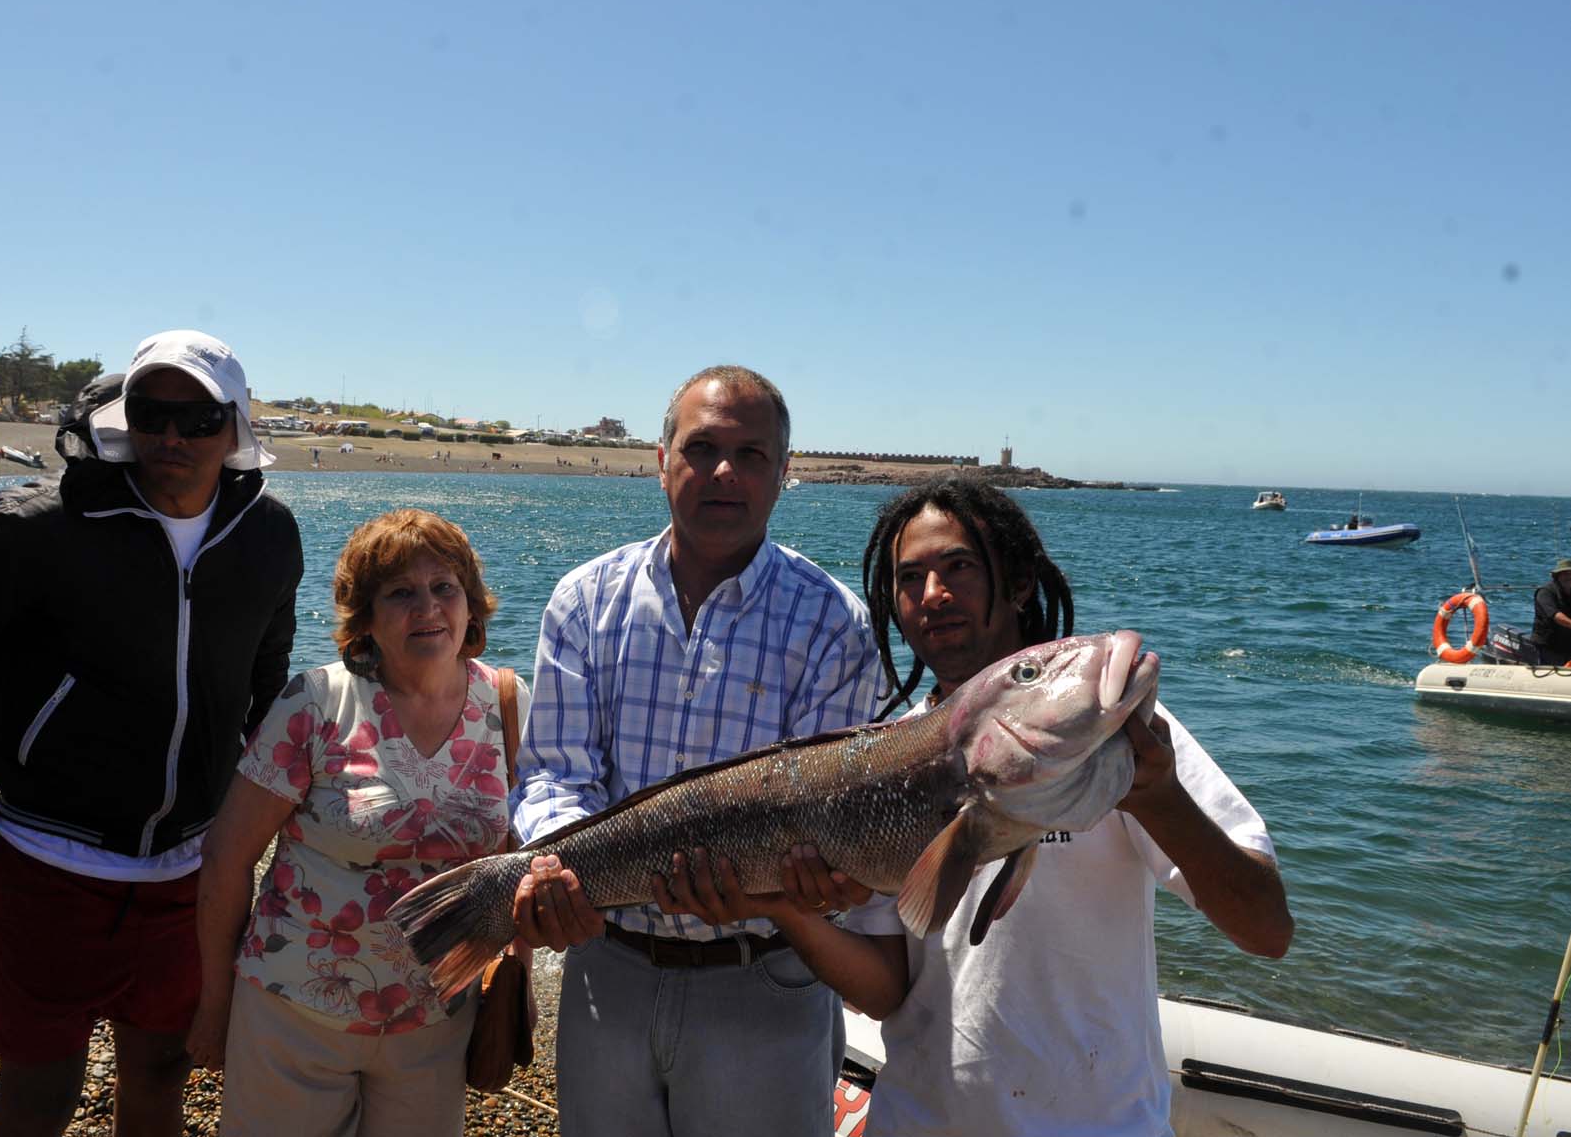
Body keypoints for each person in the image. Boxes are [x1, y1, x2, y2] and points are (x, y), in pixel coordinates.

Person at [743, 474, 1292, 1137]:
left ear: (1020, 583)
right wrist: (780, 906)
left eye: (959, 567)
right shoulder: (886, 766)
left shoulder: (1132, 743)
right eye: (910, 578)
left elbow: (1266, 930)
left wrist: (1160, 799)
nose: (933, 593)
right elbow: (886, 991)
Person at [0, 330, 303, 1137]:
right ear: (123, 417)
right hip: (48, 861)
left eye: (198, 419)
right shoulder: (39, 525)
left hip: (191, 870)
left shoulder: (268, 534)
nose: (171, 435)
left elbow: (266, 677)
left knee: (162, 1075)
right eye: (150, 413)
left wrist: (268, 814)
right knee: (39, 1090)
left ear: (235, 428)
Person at [509, 364, 884, 1136]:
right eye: (701, 448)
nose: (723, 472)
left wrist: (799, 885)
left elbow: (831, 822)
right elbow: (554, 773)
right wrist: (556, 875)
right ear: (661, 460)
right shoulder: (584, 600)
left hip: (765, 982)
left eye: (750, 455)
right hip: (605, 970)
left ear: (783, 473)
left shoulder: (833, 624)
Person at [189, 509, 529, 1136]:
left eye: (444, 587)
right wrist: (214, 1004)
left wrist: (515, 979)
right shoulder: (315, 702)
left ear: (471, 603)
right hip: (296, 1012)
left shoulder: (507, 704)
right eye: (400, 592)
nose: (427, 608)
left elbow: (521, 866)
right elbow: (228, 857)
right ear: (365, 615)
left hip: (437, 1021)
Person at [1531, 559, 1571, 667]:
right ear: (1557, 576)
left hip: (1567, 643)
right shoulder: (1545, 592)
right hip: (1548, 645)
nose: (1569, 577)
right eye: (1565, 574)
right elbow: (1556, 615)